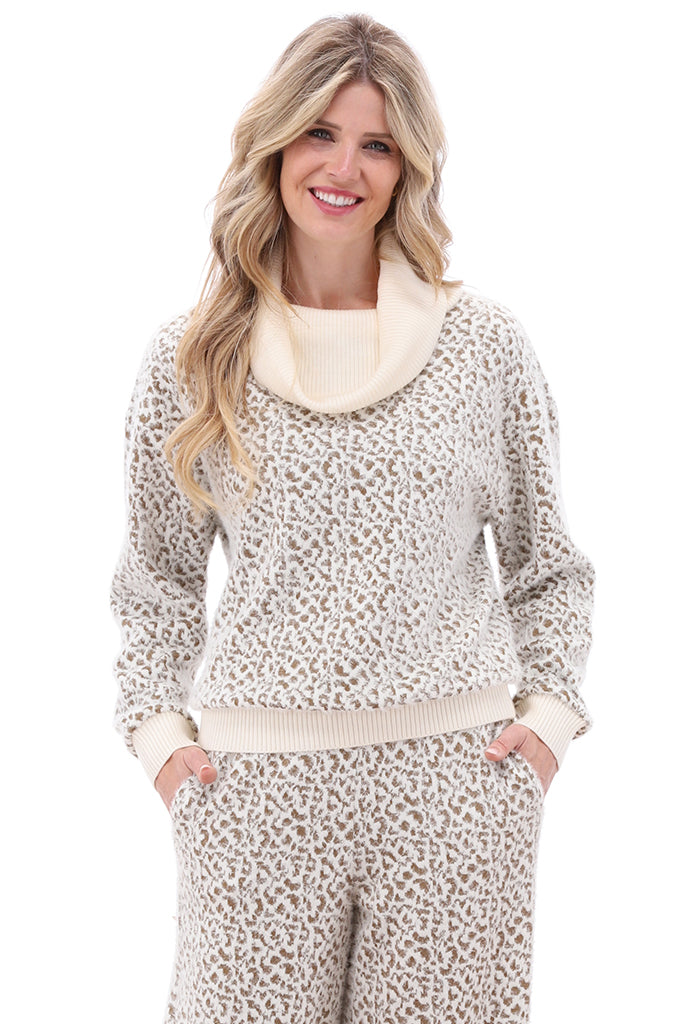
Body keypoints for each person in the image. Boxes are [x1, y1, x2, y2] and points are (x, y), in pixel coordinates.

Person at [111, 13, 594, 1024]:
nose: (344, 167)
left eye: (377, 143)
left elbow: (548, 565)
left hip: (454, 794)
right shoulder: (192, 359)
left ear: (408, 165)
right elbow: (156, 581)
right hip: (253, 797)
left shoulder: (482, 346)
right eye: (320, 133)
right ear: (275, 143)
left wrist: (546, 726)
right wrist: (159, 739)